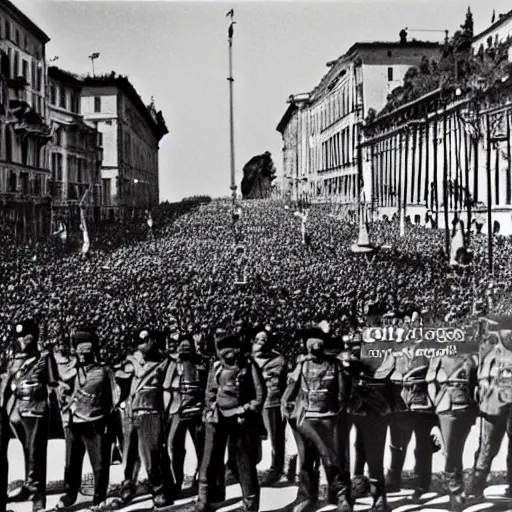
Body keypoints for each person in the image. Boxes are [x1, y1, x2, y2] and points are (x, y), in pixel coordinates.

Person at [282, 326, 352, 512]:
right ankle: (306, 496)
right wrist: (289, 411)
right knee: (307, 460)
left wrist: (338, 413)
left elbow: (342, 394)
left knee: (335, 458)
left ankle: (341, 496)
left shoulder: (334, 365)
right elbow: (290, 392)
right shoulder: (302, 365)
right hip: (306, 419)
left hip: (329, 418)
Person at [196, 333, 266, 512]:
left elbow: (260, 394)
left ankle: (250, 504)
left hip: (240, 419)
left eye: (232, 353)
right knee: (210, 459)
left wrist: (246, 408)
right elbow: (210, 390)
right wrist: (210, 407)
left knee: (244, 463)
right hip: (218, 417)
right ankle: (206, 499)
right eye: (224, 353)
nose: (229, 357)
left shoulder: (249, 366)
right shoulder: (217, 366)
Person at [56, 326, 117, 509]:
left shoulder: (104, 370)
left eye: (88, 350)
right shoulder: (68, 371)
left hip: (95, 422)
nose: (84, 355)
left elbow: (113, 396)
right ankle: (70, 494)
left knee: (99, 464)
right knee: (71, 464)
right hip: (74, 422)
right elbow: (58, 389)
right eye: (80, 350)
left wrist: (110, 423)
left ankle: (99, 498)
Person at [2, 319, 59, 512]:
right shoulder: (14, 359)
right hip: (17, 409)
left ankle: (38, 495)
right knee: (25, 450)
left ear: (33, 337)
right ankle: (28, 487)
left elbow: (53, 384)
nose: (22, 340)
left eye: (26, 336)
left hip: (36, 408)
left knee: (36, 452)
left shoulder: (44, 357)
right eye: (19, 336)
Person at [115, 328, 175, 508]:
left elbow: (145, 375)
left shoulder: (165, 362)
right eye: (140, 340)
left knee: (152, 455)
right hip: (132, 411)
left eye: (148, 339)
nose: (144, 343)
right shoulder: (134, 360)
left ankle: (159, 489)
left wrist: (133, 360)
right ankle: (128, 485)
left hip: (151, 412)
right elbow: (120, 376)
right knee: (129, 453)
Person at [426, 340, 478, 511]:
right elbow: (431, 384)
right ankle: (455, 491)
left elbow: (475, 385)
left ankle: (457, 488)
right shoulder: (437, 358)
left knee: (457, 450)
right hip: (445, 408)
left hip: (465, 408)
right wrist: (435, 412)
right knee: (450, 452)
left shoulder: (471, 358)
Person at [467, 316, 512, 501]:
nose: (510, 335)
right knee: (486, 450)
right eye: (507, 331)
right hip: (493, 408)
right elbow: (479, 379)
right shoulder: (491, 353)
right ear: (500, 333)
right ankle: (475, 490)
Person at [166, 334, 209, 496]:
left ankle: (202, 482)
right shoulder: (171, 363)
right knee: (175, 448)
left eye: (187, 346)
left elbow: (208, 386)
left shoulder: (202, 362)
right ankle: (176, 482)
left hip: (197, 411)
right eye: (181, 346)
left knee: (202, 449)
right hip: (177, 412)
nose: (184, 349)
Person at [251, 325, 288, 485]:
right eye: (257, 340)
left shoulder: (277, 360)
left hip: (270, 401)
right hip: (250, 401)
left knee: (274, 437)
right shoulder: (248, 358)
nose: (260, 343)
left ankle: (276, 469)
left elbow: (277, 382)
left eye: (264, 340)